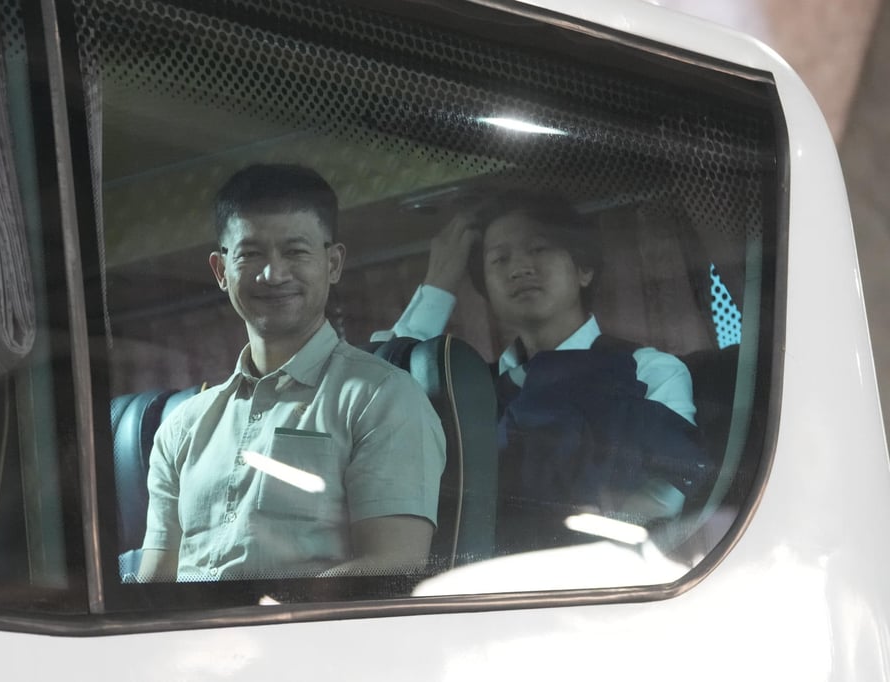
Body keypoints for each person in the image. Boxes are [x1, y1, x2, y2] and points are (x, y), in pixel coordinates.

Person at [138, 164, 446, 582]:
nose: (273, 273)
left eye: (296, 252)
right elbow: (155, 579)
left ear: (333, 263)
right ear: (219, 271)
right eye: (250, 254)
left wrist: (269, 618)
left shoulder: (382, 398)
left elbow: (395, 564)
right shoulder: (181, 428)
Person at [373, 189, 712, 552]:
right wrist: (438, 284)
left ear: (583, 269)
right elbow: (374, 402)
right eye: (499, 260)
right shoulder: (467, 391)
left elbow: (666, 496)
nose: (520, 268)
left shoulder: (649, 370)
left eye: (538, 249)